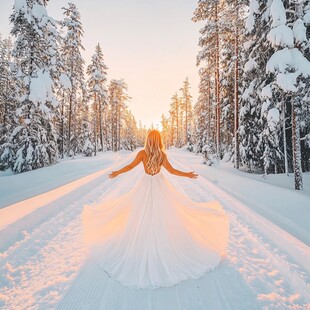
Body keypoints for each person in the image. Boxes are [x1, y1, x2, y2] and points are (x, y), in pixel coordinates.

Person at [82, 130, 229, 289]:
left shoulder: (142, 154)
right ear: (158, 140)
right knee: (163, 213)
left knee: (140, 212)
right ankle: (160, 237)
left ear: (148, 140)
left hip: (146, 184)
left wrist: (117, 172)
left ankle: (144, 237)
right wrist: (187, 174)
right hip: (159, 185)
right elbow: (172, 171)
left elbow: (130, 166)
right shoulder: (162, 155)